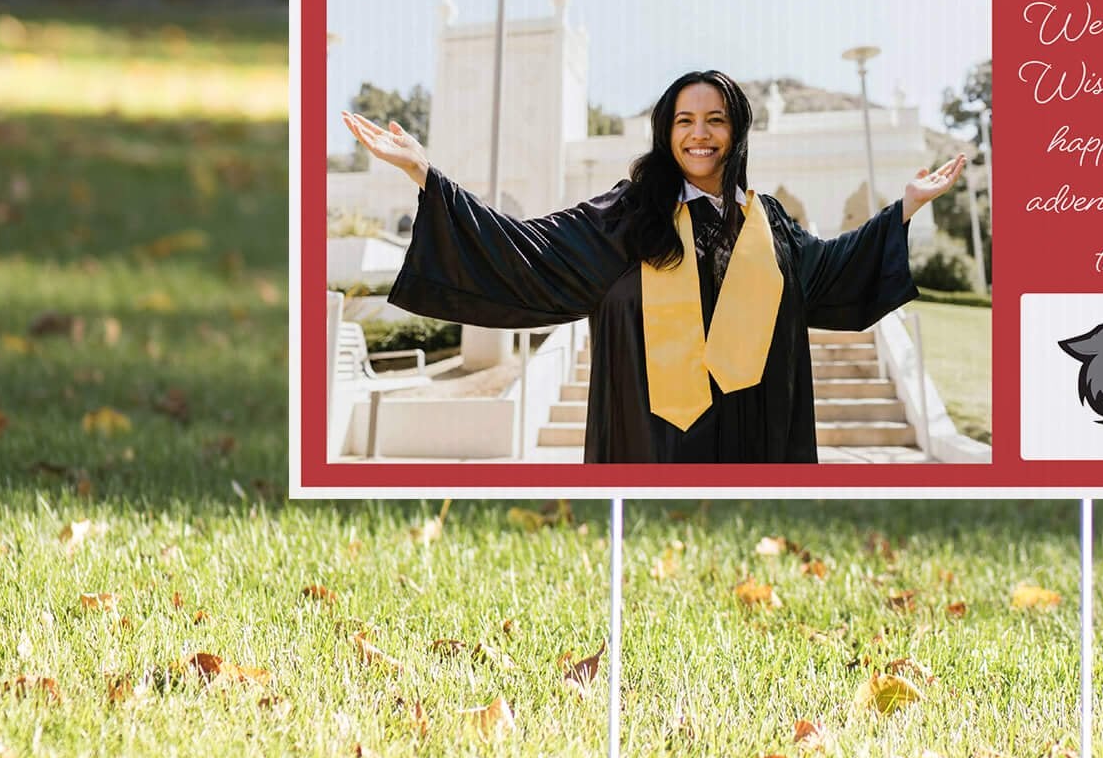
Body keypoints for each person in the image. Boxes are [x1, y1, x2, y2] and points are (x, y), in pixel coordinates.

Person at [342, 70, 967, 465]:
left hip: (757, 438)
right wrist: (426, 175)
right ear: (666, 132)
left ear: (737, 133)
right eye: (685, 121)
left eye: (715, 120)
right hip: (650, 441)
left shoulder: (765, 220)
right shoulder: (627, 214)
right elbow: (523, 246)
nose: (700, 135)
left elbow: (830, 271)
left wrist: (904, 208)